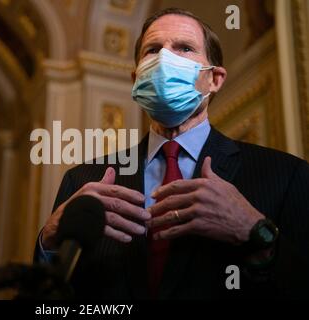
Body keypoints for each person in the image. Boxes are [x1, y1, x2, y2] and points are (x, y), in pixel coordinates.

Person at [34, 8, 309, 299]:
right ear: (135, 78)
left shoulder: (286, 175)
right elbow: (50, 301)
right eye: (152, 50)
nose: (165, 59)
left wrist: (253, 230)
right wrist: (48, 240)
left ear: (214, 79)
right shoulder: (83, 180)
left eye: (184, 48)